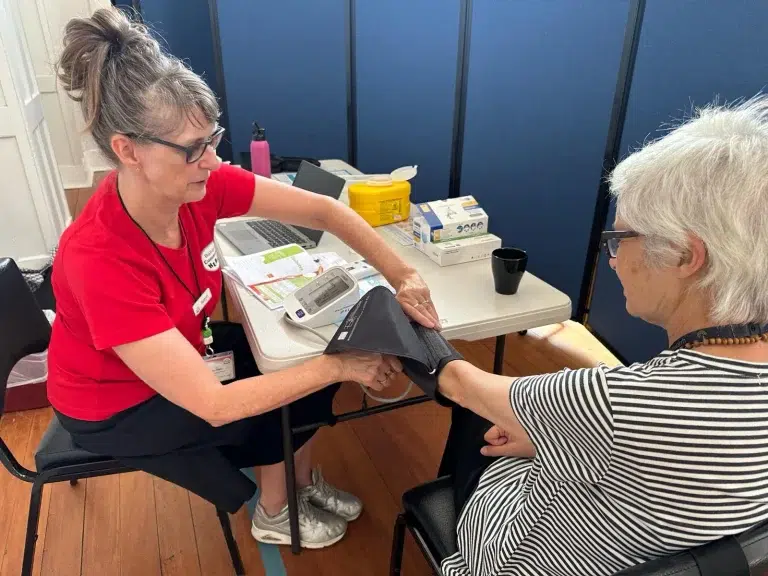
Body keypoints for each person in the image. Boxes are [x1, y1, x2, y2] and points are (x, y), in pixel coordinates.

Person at [46, 7, 438, 550]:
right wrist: (343, 366)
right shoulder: (99, 257)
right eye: (192, 149)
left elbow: (326, 210)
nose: (211, 160)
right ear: (127, 150)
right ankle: (276, 513)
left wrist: (406, 275)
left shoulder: (195, 185)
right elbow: (215, 404)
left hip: (184, 345)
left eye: (212, 139)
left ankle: (298, 485)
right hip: (117, 405)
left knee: (298, 364)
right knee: (282, 393)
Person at [424, 97, 768, 574]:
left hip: (516, 559)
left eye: (619, 240)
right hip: (659, 544)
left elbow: (459, 383)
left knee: (475, 426)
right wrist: (555, 437)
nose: (612, 259)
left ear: (686, 257)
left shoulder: (612, 402)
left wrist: (401, 325)